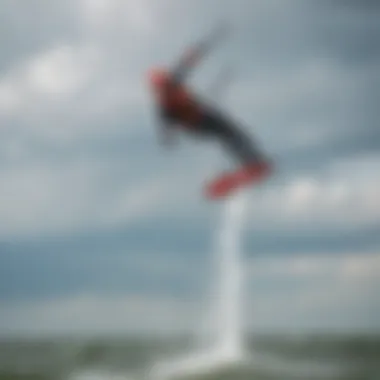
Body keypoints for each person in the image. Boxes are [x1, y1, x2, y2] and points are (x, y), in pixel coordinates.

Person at [147, 23, 270, 174]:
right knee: (230, 131)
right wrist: (199, 50)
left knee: (227, 134)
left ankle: (250, 160)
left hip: (197, 123)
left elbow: (166, 130)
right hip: (200, 119)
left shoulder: (164, 102)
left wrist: (169, 137)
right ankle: (251, 160)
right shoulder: (169, 94)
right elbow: (186, 62)